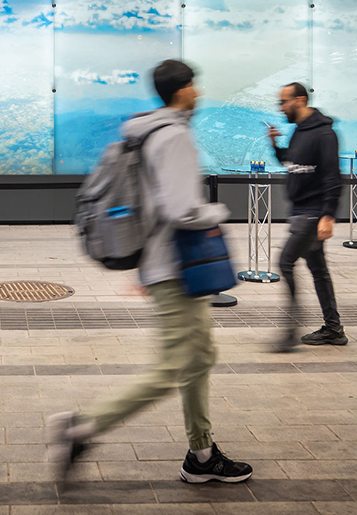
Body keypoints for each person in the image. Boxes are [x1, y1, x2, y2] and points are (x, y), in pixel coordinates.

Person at [50, 60, 253, 485]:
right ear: (181, 90)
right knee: (173, 367)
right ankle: (82, 428)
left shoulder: (146, 133)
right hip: (179, 269)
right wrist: (218, 210)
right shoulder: (174, 136)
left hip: (168, 267)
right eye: (194, 86)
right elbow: (181, 209)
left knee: (199, 358)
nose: (198, 93)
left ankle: (201, 453)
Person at [267, 83, 346, 350]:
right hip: (300, 211)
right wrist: (276, 146)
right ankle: (333, 329)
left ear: (300, 100)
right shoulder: (299, 132)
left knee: (285, 262)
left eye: (285, 102)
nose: (281, 108)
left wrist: (328, 215)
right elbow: (292, 163)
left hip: (312, 215)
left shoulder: (324, 134)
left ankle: (290, 332)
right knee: (318, 271)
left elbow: (333, 177)